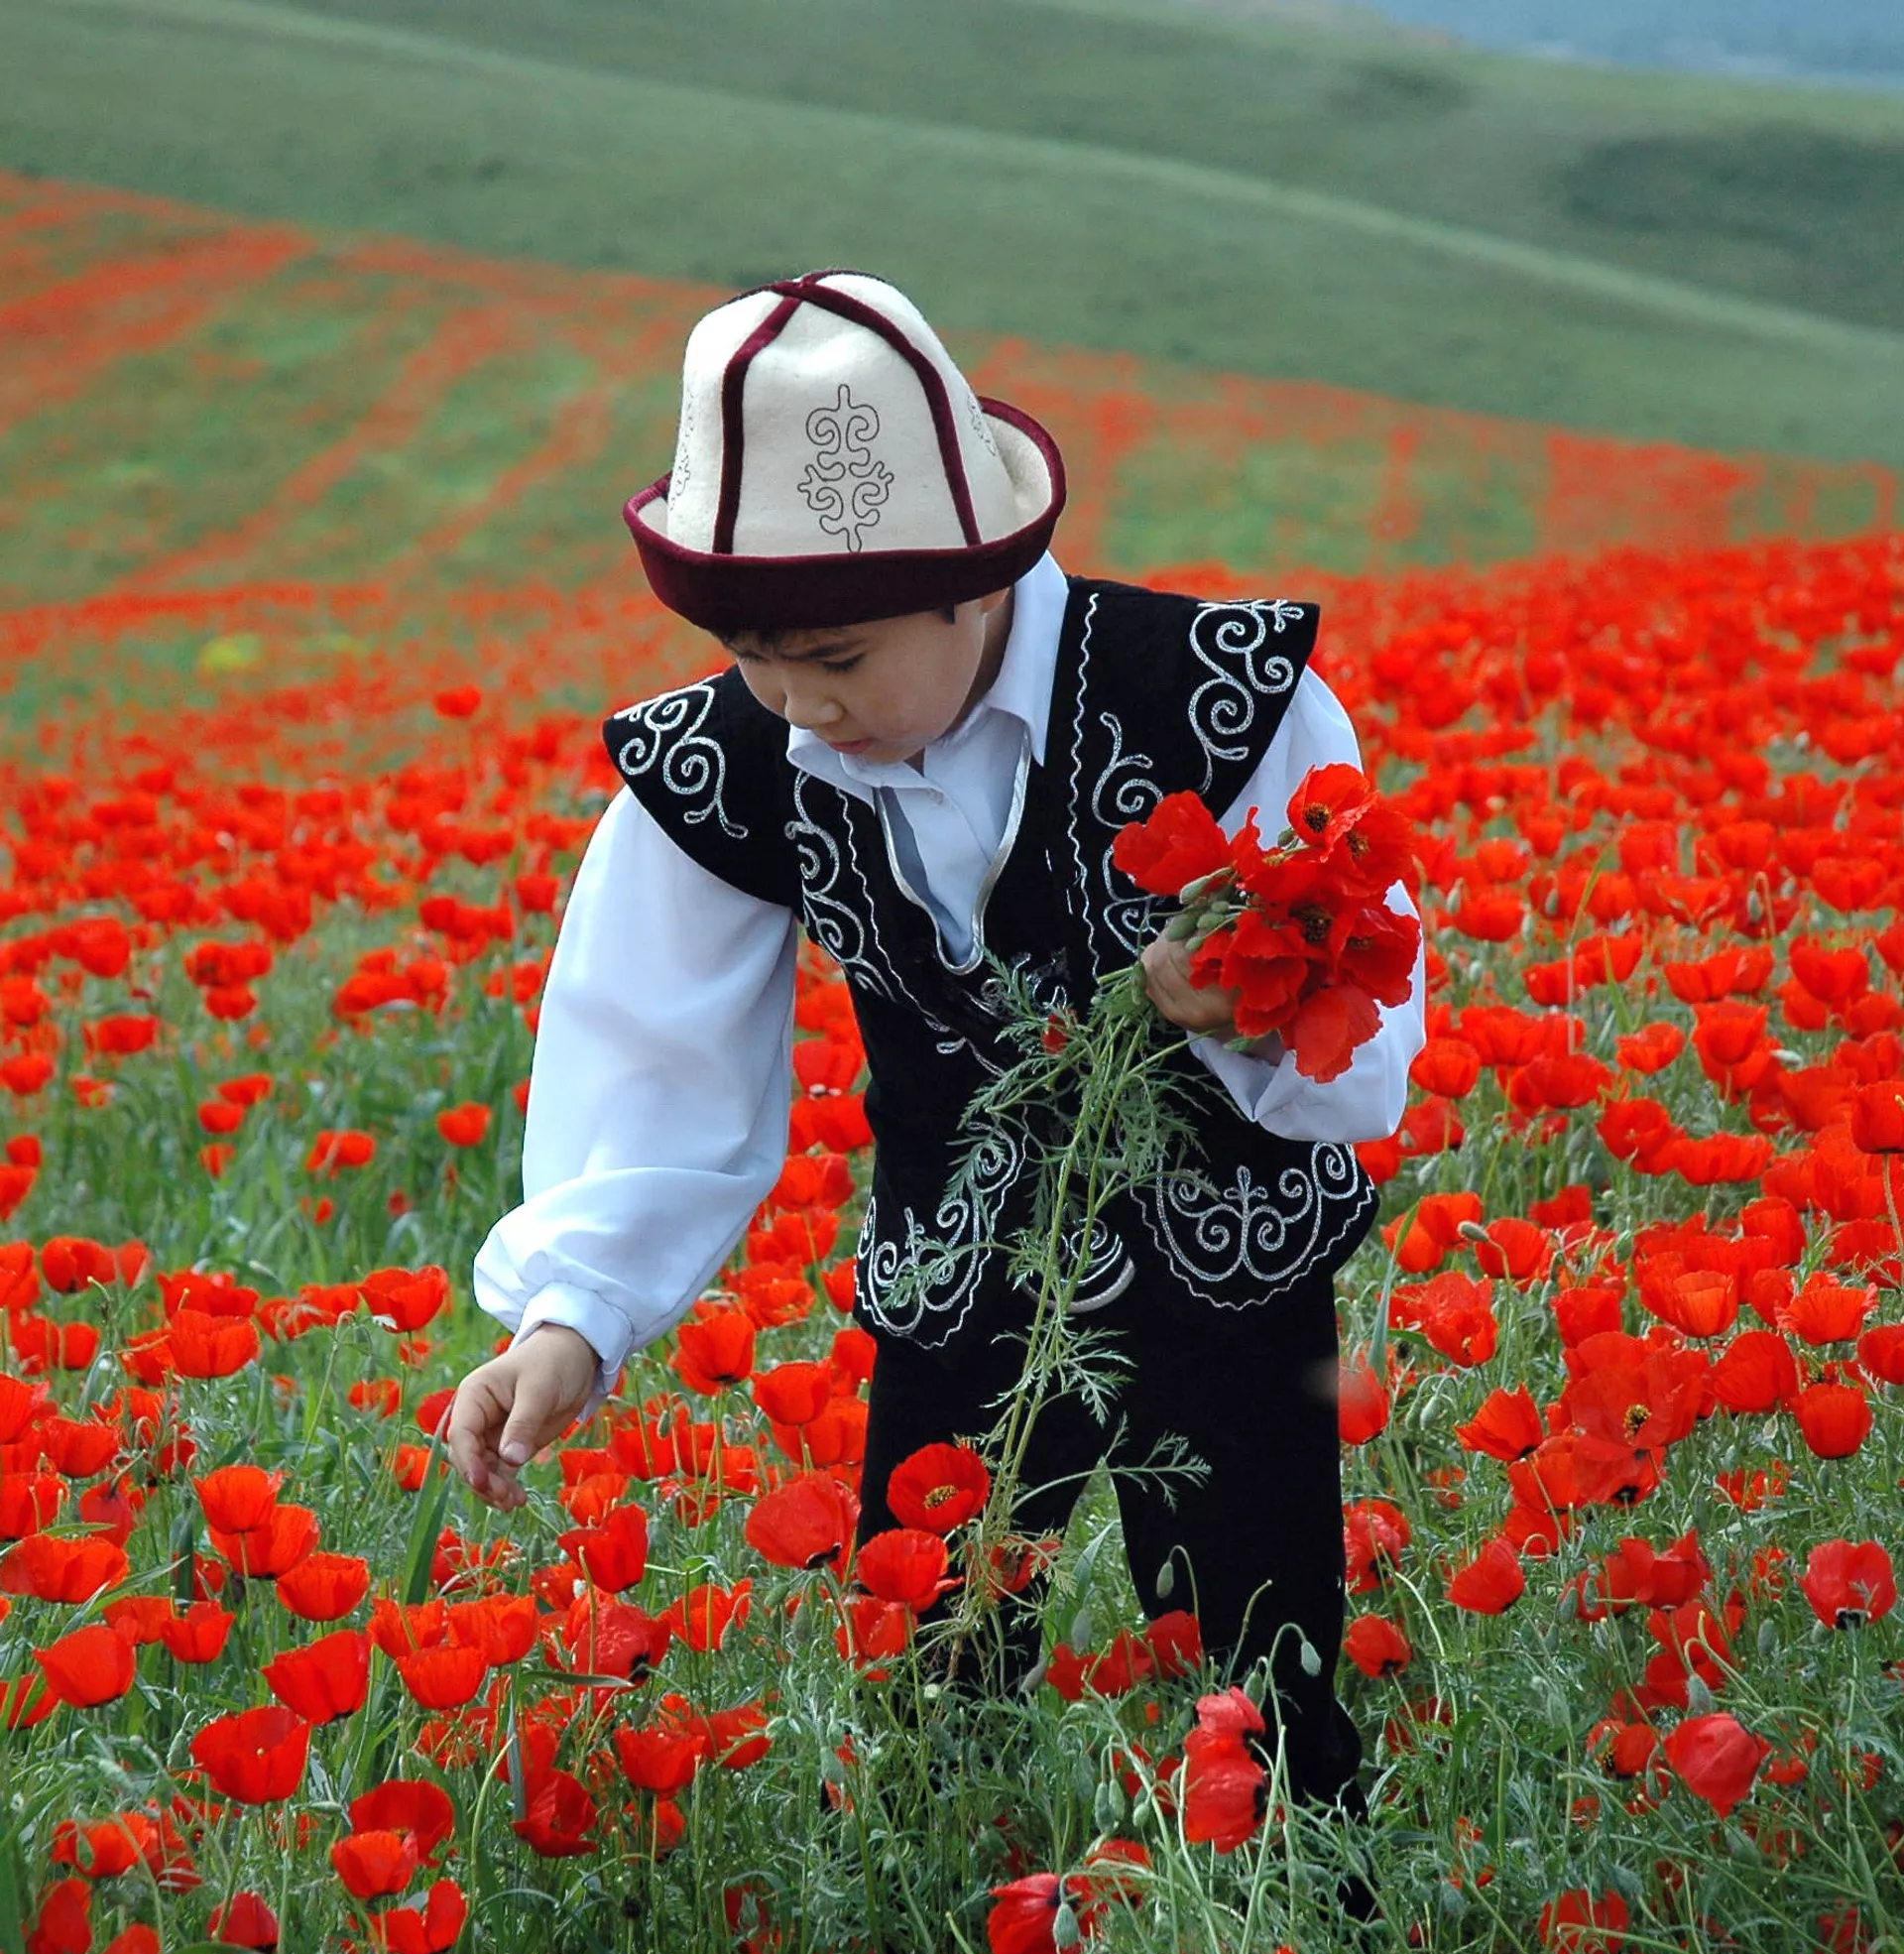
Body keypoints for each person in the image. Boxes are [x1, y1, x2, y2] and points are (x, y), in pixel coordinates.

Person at [448, 271, 1426, 1852]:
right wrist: (575, 1316)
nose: (799, 706)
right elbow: (656, 1044)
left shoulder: (1225, 701)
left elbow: (1362, 1039)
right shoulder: (735, 757)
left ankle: (1293, 1946)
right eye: (753, 656)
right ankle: (951, 1944)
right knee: (933, 1689)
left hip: (1224, 1279)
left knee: (1265, 1680)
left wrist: (1231, 1013)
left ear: (974, 584)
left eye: (835, 654)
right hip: (956, 1284)